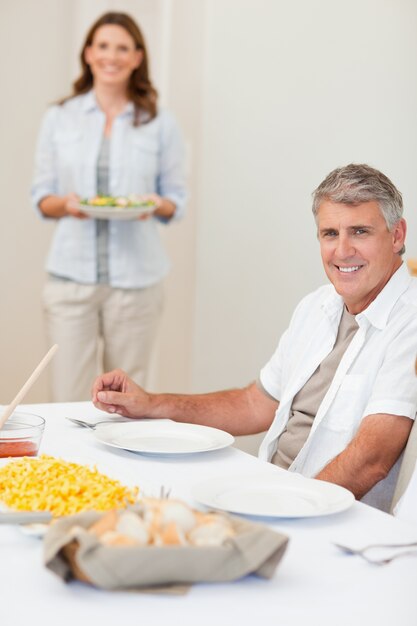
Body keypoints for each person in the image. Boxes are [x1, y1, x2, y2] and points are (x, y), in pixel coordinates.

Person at [92, 163, 417, 512]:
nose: (342, 251)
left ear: (397, 235)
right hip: (273, 492)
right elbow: (254, 404)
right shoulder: (317, 305)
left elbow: (372, 459)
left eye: (360, 232)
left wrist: (281, 508)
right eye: (329, 234)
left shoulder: (410, 320)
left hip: (321, 515)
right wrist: (153, 404)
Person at [31, 12, 186, 401]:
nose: (111, 56)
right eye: (102, 46)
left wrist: (155, 203)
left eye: (122, 48)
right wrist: (66, 204)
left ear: (137, 57)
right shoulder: (59, 117)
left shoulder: (159, 122)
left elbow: (175, 201)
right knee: (68, 398)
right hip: (70, 279)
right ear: (88, 53)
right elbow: (42, 196)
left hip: (136, 283)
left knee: (127, 400)